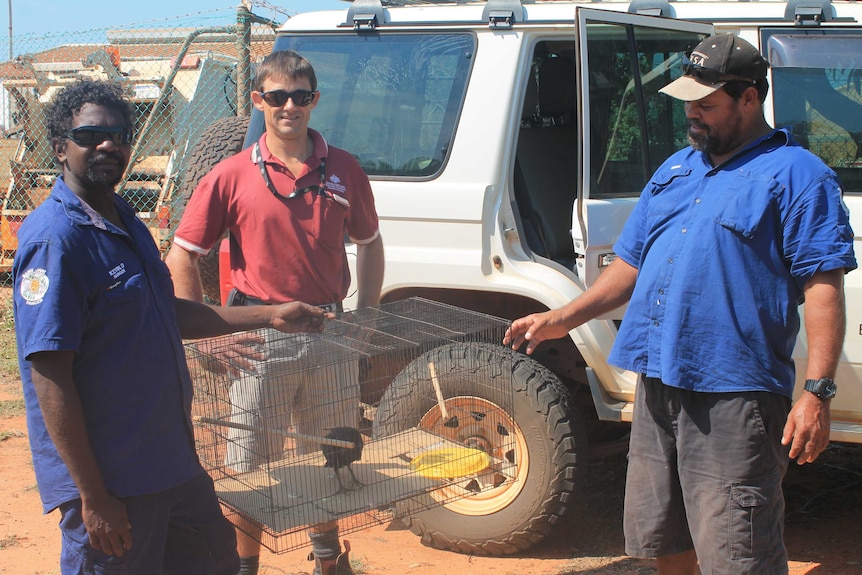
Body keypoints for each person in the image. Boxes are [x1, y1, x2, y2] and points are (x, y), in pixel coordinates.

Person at [504, 34, 856, 575]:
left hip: (735, 392)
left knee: (739, 549)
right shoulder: (676, 170)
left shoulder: (799, 175)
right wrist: (562, 317)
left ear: (748, 99)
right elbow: (631, 266)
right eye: (688, 100)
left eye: (707, 104)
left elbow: (822, 290)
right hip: (659, 379)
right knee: (661, 534)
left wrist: (817, 393)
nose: (692, 114)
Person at [13, 79, 333, 575]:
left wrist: (271, 314)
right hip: (113, 477)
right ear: (59, 147)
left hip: (170, 462)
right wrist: (93, 497)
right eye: (90, 135)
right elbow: (49, 376)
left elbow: (166, 310)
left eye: (119, 135)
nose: (108, 145)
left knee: (212, 560)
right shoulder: (56, 240)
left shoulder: (123, 218)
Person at [165, 49, 384, 575]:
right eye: (278, 96)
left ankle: (328, 558)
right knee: (249, 469)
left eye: (301, 97)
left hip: (330, 330)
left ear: (314, 101)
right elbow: (181, 255)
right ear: (259, 100)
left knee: (329, 455)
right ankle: (245, 566)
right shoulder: (231, 174)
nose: (290, 107)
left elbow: (371, 244)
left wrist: (366, 319)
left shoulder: (345, 169)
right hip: (261, 335)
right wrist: (209, 334)